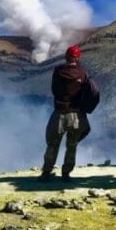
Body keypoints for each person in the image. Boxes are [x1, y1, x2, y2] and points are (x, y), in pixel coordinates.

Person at [39, 44, 92, 183]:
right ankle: (66, 173)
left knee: (52, 144)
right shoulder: (83, 73)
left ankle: (46, 172)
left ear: (66, 57)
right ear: (77, 57)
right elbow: (89, 91)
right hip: (75, 114)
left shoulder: (58, 71)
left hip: (59, 113)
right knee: (72, 145)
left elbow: (54, 90)